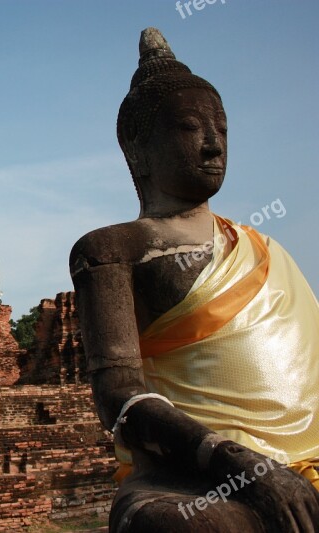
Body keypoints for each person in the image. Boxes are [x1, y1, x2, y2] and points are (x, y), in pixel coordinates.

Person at [69, 27, 319, 532]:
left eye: (222, 130)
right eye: (189, 128)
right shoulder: (112, 249)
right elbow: (117, 395)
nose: (212, 145)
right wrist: (239, 465)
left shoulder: (262, 249)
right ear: (137, 149)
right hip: (191, 474)